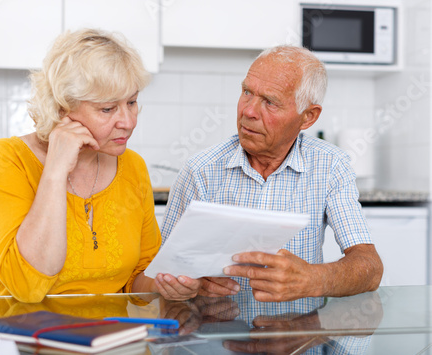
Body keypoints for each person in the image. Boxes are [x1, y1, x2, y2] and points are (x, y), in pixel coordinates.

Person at [0, 28, 200, 303]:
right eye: (107, 109)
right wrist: (56, 171)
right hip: (22, 337)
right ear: (61, 108)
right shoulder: (4, 158)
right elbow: (27, 287)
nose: (128, 121)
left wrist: (167, 283)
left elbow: (138, 278)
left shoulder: (132, 166)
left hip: (109, 338)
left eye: (132, 102)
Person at [161, 45, 383, 302]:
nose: (248, 111)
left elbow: (371, 268)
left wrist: (313, 279)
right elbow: (163, 273)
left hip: (300, 333)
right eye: (246, 92)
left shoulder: (330, 165)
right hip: (217, 332)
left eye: (270, 102)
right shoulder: (201, 170)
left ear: (308, 117)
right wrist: (189, 284)